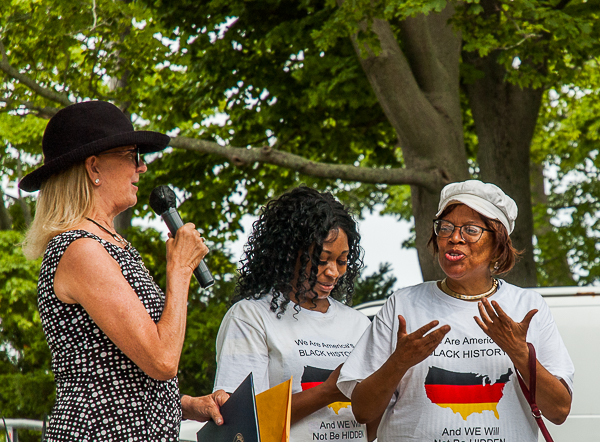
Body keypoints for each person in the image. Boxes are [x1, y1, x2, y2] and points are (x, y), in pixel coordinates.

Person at [19, 100, 228, 441]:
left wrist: (187, 404)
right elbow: (161, 361)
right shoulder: (81, 249)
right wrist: (179, 269)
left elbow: (117, 374)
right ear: (93, 167)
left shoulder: (109, 244)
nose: (141, 167)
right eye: (132, 154)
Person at [337, 180, 574, 442]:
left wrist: (519, 352)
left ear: (498, 244)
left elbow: (559, 411)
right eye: (445, 228)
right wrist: (399, 361)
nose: (454, 238)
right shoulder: (403, 305)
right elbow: (362, 412)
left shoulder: (528, 306)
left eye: (471, 230)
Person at [213, 186, 377, 442]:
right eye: (322, 260)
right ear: (289, 255)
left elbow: (371, 424)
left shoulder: (358, 324)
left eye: (342, 261)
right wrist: (327, 392)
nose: (333, 272)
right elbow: (241, 423)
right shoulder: (250, 317)